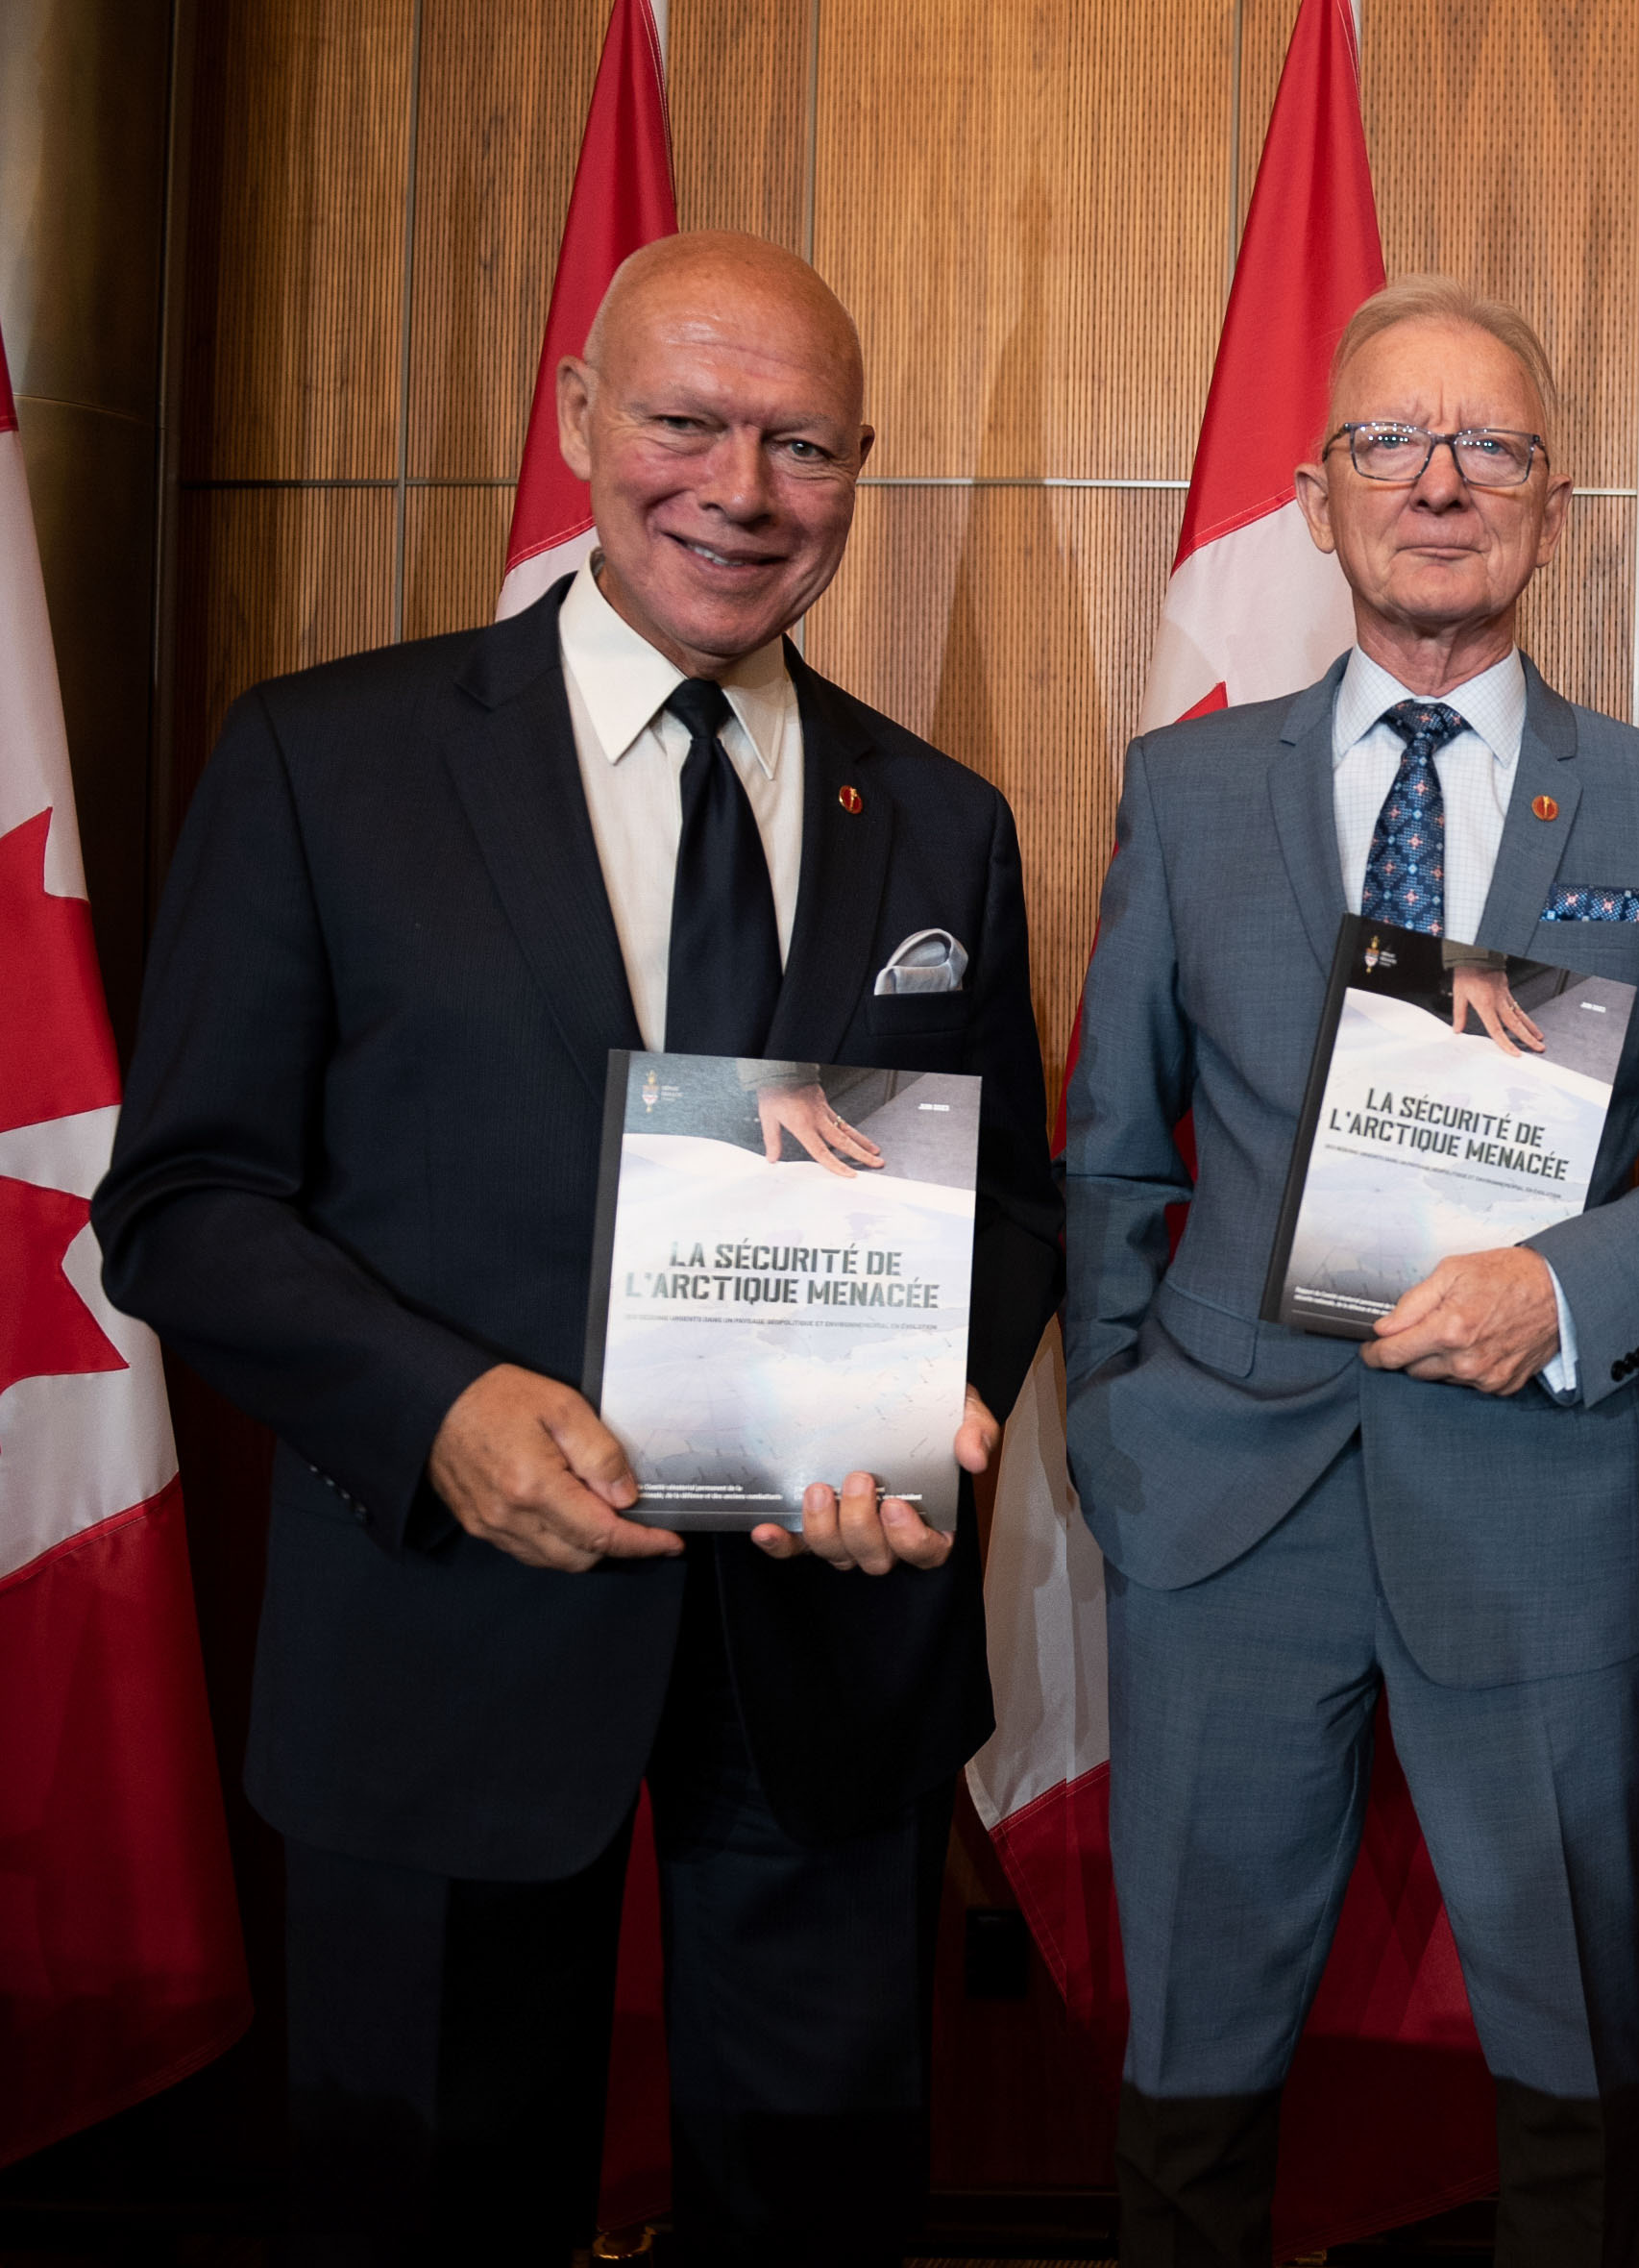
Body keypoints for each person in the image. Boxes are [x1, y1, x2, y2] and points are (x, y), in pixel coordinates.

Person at [94, 232, 1062, 2263]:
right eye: (687, 421)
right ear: (576, 424)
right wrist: (437, 1410)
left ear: (855, 472)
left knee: (816, 2213)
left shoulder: (944, 820)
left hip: (826, 1646)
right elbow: (183, 1204)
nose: (741, 486)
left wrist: (932, 1398)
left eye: (802, 443)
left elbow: (1009, 1201)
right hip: (447, 1638)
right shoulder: (323, 763)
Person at [1059, 277, 1639, 2268]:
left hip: (1525, 1502)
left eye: (1491, 448)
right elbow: (1111, 1145)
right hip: (1215, 1502)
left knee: (1567, 2051)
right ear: (1313, 496)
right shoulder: (1184, 792)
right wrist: (1118, 1429)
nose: (1438, 481)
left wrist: (1562, 1291)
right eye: (1390, 441)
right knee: (1193, 2048)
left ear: (1556, 510)